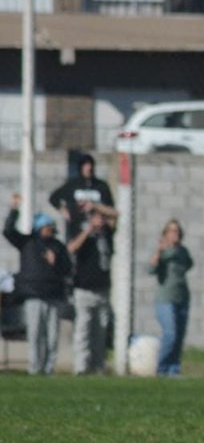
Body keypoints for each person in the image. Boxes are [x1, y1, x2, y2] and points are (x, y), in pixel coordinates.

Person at [4, 194, 72, 374]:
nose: (50, 230)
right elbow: (8, 231)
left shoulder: (57, 246)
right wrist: (14, 210)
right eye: (47, 226)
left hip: (53, 295)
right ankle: (34, 368)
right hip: (33, 294)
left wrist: (55, 262)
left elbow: (67, 269)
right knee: (35, 334)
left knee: (52, 336)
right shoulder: (28, 242)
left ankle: (49, 368)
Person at [66, 203, 118, 374]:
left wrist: (96, 206)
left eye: (101, 218)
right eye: (97, 217)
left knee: (101, 331)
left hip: (102, 288)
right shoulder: (82, 232)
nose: (100, 221)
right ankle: (81, 366)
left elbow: (116, 214)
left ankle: (98, 366)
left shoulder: (107, 234)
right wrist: (88, 230)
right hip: (84, 288)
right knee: (83, 329)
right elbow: (72, 248)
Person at [148, 219, 193, 376]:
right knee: (170, 333)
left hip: (182, 297)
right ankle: (161, 368)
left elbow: (189, 265)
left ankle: (173, 369)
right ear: (165, 233)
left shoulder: (182, 251)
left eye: (178, 231)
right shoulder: (162, 251)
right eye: (172, 231)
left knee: (179, 336)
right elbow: (150, 269)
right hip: (165, 299)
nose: (176, 234)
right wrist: (159, 251)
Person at [49, 154, 114, 240]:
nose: (88, 168)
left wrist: (95, 207)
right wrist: (63, 209)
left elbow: (110, 207)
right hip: (77, 229)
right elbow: (54, 197)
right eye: (85, 166)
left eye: (90, 165)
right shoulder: (73, 185)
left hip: (97, 230)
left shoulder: (101, 186)